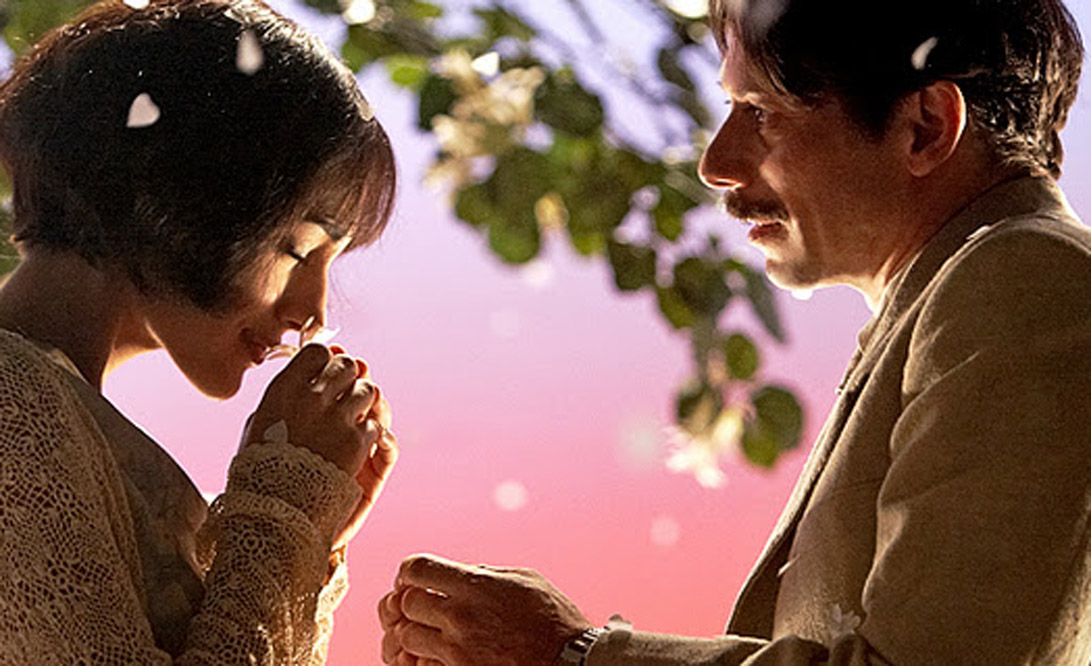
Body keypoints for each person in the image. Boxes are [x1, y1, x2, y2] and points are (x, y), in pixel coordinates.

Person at [379, 0, 1091, 663]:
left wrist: (574, 652)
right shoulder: (955, 297)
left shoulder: (1025, 282)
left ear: (925, 126)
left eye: (761, 112)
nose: (715, 165)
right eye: (730, 107)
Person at [0, 0, 399, 662]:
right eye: (298, 251)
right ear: (180, 195)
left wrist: (305, 533)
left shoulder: (56, 415)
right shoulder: (13, 404)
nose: (315, 313)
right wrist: (282, 512)